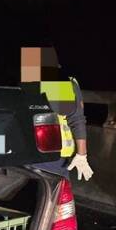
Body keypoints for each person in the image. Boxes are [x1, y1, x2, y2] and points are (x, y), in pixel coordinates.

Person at [20, 46, 93, 182]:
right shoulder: (28, 83)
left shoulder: (56, 82)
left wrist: (82, 154)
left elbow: (76, 119)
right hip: (30, 155)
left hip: (52, 157)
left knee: (53, 197)